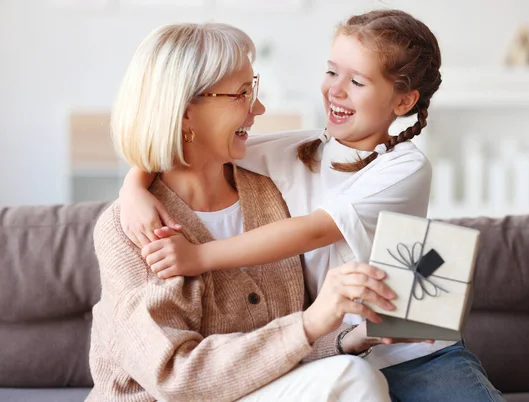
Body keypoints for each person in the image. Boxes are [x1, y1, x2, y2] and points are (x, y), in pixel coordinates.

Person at [119, 10, 505, 402]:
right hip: (333, 352)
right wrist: (133, 186)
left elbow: (314, 230)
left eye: (356, 81)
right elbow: (197, 143)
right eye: (332, 72)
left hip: (414, 353)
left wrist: (198, 257)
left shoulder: (404, 167)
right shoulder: (297, 151)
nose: (336, 90)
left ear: (403, 101)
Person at [87, 21, 400, 402]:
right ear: (185, 113)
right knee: (354, 380)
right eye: (242, 94)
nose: (260, 108)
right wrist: (310, 322)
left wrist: (351, 337)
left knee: (356, 371)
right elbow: (176, 377)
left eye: (254, 89)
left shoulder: (271, 193)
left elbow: (274, 354)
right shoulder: (129, 230)